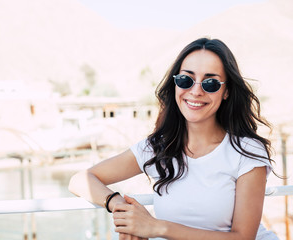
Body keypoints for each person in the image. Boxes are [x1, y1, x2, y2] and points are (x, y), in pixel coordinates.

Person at [69, 37, 279, 240]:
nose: (196, 91)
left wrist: (156, 227)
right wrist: (123, 209)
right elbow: (79, 180)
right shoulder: (158, 147)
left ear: (226, 92)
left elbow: (243, 238)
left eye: (211, 83)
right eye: (186, 79)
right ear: (175, 84)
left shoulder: (246, 152)